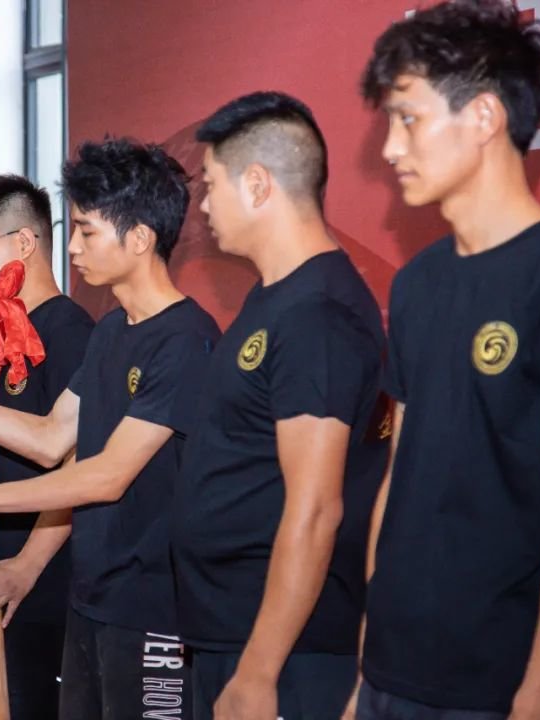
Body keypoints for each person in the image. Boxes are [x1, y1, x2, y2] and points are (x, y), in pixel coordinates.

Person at [0, 139, 221, 719]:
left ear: (140, 238)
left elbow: (108, 474)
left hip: (154, 608)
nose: (71, 247)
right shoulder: (113, 331)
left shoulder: (186, 339)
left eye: (87, 231)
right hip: (91, 598)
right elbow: (49, 437)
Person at [351, 3, 540, 718]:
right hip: (390, 672)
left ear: (484, 116)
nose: (390, 149)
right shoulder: (416, 283)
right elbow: (398, 480)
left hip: (495, 682)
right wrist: (365, 666)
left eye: (408, 119)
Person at [171, 92, 387, 720]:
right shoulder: (275, 298)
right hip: (230, 634)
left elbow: (316, 508)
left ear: (258, 184)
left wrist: (259, 672)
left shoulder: (318, 314)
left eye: (211, 185)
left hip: (285, 654)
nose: (203, 207)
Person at [0, 174, 93, 720]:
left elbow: (78, 462)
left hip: (39, 579)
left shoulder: (69, 331)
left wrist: (27, 565)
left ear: (24, 243)